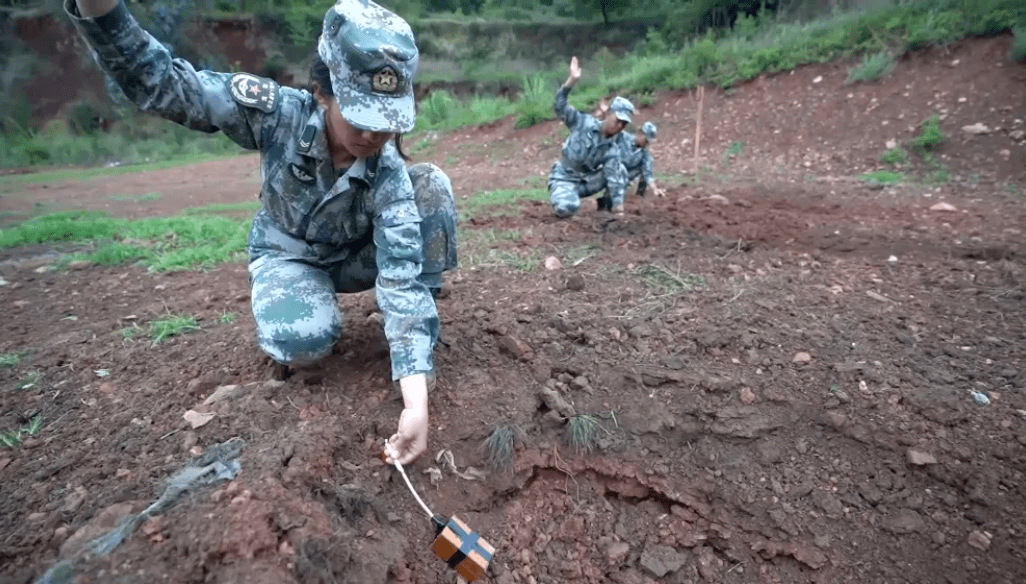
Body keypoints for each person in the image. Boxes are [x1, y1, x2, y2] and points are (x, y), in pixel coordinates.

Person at [67, 0, 457, 466]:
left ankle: (415, 350)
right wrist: (102, 12)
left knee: (429, 184)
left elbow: (401, 278)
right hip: (288, 255)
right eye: (360, 115)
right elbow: (169, 86)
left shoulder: (388, 174)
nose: (374, 136)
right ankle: (306, 308)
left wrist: (416, 404)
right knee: (304, 341)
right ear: (322, 93)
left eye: (385, 121)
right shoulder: (278, 114)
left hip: (355, 257)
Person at [548, 56, 634, 218]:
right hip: (564, 178)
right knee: (568, 207)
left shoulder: (611, 148)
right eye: (618, 120)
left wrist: (619, 210)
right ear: (608, 113)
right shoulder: (583, 123)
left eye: (624, 124)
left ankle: (604, 208)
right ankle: (565, 199)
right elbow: (559, 106)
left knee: (619, 170)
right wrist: (571, 81)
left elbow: (614, 180)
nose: (620, 127)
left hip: (586, 182)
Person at [618, 121, 667, 199]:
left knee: (643, 168)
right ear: (640, 133)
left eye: (648, 141)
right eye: (645, 139)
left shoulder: (645, 155)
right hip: (613, 169)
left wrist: (655, 189)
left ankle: (639, 197)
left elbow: (648, 174)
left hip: (626, 175)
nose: (646, 143)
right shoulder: (623, 138)